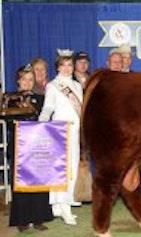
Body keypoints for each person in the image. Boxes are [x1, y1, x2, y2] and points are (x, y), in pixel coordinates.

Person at [39, 49, 83, 225]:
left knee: (72, 167)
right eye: (63, 65)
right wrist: (42, 121)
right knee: (61, 169)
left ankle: (60, 203)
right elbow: (48, 107)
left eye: (70, 65)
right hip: (60, 130)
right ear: (58, 67)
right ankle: (63, 206)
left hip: (75, 130)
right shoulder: (53, 86)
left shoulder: (77, 85)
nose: (67, 68)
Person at [8, 65, 53, 232]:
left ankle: (39, 218)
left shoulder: (40, 99)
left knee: (39, 181)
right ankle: (22, 219)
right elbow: (8, 119)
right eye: (24, 79)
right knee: (21, 183)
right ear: (18, 81)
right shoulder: (10, 98)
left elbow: (46, 118)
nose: (27, 83)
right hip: (20, 144)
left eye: (31, 80)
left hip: (37, 144)